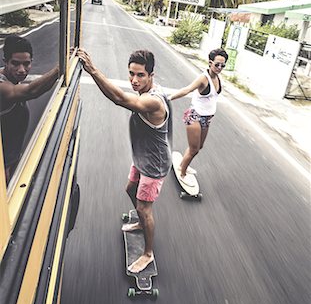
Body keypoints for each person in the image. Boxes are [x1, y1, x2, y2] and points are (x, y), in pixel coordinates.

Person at [77, 48, 172, 273]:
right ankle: (141, 221)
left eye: (140, 75)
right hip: (142, 156)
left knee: (144, 207)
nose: (134, 80)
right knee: (130, 189)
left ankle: (148, 253)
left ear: (151, 76)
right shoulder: (149, 92)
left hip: (153, 164)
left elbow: (119, 99)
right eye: (131, 74)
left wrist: (92, 70)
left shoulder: (153, 101)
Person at [0, 35, 59, 183]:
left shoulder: (14, 80)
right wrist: (60, 67)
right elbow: (31, 92)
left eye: (26, 64)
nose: (21, 70)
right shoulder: (3, 86)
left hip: (12, 158)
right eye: (15, 63)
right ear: (5, 62)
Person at [169, 48, 228, 186]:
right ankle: (182, 172)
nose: (219, 68)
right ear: (210, 62)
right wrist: (169, 98)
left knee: (199, 147)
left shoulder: (217, 78)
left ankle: (183, 163)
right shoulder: (203, 78)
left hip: (206, 119)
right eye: (217, 65)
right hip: (194, 116)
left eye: (222, 65)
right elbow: (187, 89)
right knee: (194, 149)